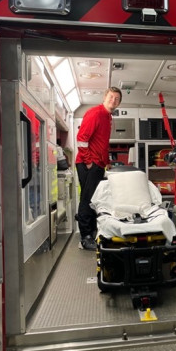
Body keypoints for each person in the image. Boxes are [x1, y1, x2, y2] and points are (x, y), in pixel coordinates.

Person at [75, 86, 122, 250]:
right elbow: (81, 138)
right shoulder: (96, 113)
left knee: (95, 199)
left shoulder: (108, 117)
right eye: (111, 97)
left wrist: (107, 160)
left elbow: (102, 143)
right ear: (104, 97)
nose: (113, 100)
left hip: (98, 163)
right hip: (89, 162)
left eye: (117, 99)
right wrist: (89, 162)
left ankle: (92, 230)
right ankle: (85, 237)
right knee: (88, 199)